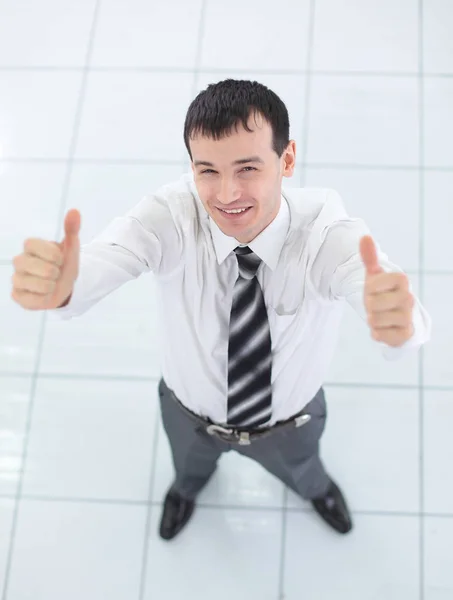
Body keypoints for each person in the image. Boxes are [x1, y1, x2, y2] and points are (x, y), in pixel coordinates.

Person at [10, 79, 431, 540]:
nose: (226, 193)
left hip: (291, 423)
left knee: (306, 469)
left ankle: (316, 490)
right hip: (188, 416)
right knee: (188, 471)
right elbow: (108, 256)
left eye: (247, 167)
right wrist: (67, 287)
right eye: (207, 170)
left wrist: (398, 322)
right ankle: (186, 490)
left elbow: (369, 280)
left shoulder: (326, 232)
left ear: (287, 159)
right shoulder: (170, 215)